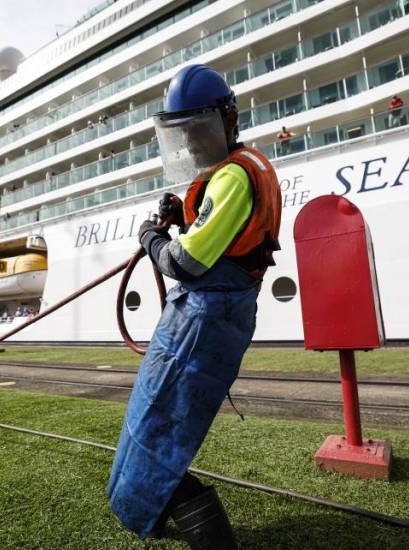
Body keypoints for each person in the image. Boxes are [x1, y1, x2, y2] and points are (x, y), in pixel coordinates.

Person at [107, 64, 282, 549]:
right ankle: (156, 507)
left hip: (201, 317)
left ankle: (194, 525)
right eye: (184, 133)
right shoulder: (248, 167)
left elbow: (185, 262)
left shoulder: (232, 177)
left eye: (199, 131)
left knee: (161, 421)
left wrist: (152, 238)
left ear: (227, 120)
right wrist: (178, 214)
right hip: (214, 313)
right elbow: (220, 232)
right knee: (163, 417)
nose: (192, 144)